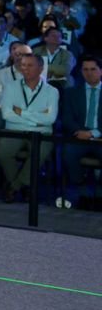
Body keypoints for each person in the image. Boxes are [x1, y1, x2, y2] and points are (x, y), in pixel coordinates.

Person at [0, 48, 58, 203]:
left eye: (30, 65)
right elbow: (6, 114)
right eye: (23, 65)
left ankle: (14, 187)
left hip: (41, 133)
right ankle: (26, 187)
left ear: (41, 68)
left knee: (39, 154)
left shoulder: (52, 91)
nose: (25, 69)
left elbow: (50, 119)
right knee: (2, 153)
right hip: (14, 130)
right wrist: (37, 117)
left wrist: (21, 112)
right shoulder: (11, 87)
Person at [57, 55, 102, 208]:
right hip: (79, 136)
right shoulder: (71, 93)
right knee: (68, 153)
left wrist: (94, 133)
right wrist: (79, 131)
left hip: (100, 137)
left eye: (93, 69)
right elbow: (66, 118)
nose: (89, 73)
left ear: (101, 71)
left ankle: (100, 193)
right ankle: (82, 190)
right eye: (85, 69)